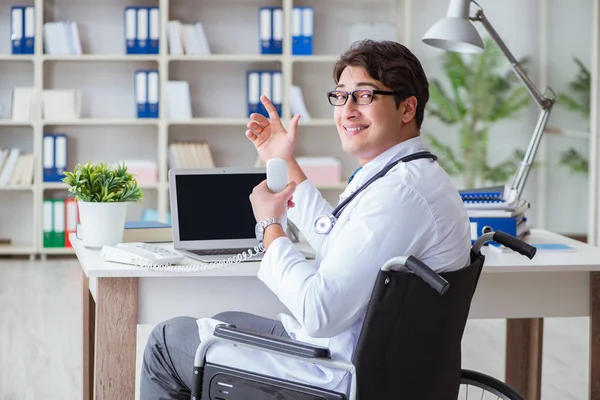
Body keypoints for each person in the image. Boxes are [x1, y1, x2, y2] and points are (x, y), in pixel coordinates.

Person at [140, 39, 471, 399]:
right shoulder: (404, 175)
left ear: (407, 108)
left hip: (333, 374)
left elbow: (319, 312)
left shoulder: (400, 194)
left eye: (364, 96)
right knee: (227, 318)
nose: (347, 110)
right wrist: (281, 161)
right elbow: (334, 236)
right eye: (341, 96)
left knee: (166, 342)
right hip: (365, 362)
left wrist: (270, 228)